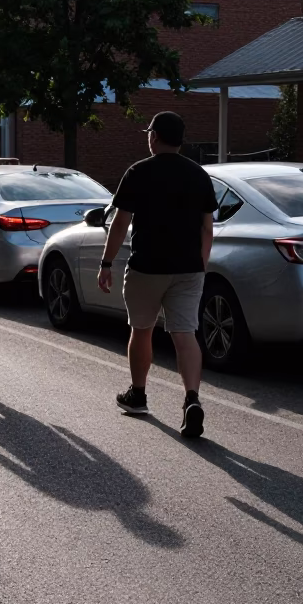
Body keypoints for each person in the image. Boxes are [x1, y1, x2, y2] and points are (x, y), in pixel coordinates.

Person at [98, 111, 218, 439]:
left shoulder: (138, 172)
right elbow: (207, 227)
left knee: (142, 330)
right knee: (185, 334)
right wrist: (200, 264)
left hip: (147, 266)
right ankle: (191, 399)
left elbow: (121, 222)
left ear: (154, 137)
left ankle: (138, 394)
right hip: (189, 268)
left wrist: (106, 263)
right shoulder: (199, 176)